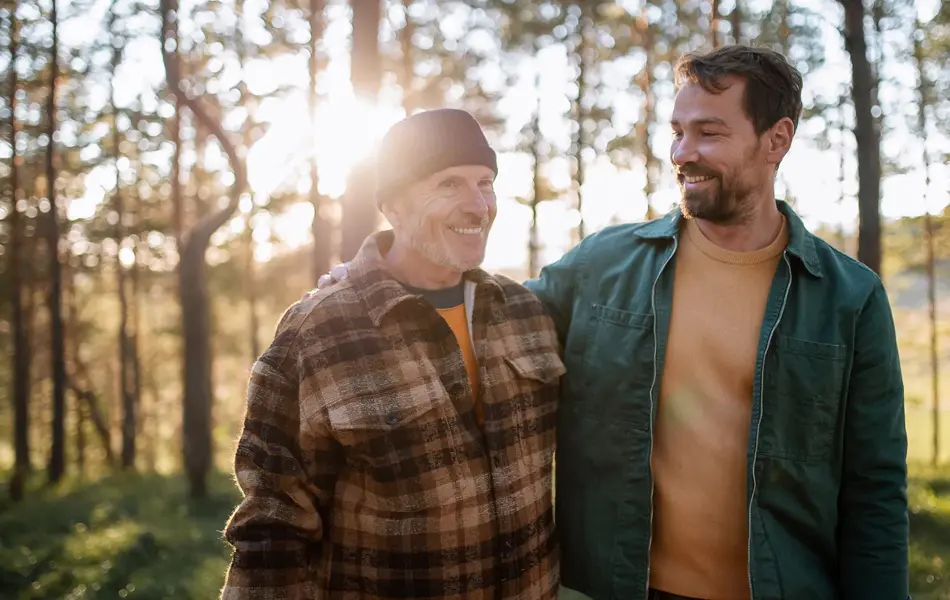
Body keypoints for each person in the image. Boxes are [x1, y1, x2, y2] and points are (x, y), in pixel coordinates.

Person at [317, 45, 910, 600]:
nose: (683, 152)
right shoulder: (603, 265)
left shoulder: (849, 297)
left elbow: (874, 489)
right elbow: (489, 321)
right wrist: (377, 277)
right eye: (678, 132)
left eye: (709, 133)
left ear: (776, 139)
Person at [221, 108, 566, 600]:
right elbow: (271, 532)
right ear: (394, 206)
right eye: (448, 184)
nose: (478, 205)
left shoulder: (527, 314)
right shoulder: (319, 331)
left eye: (485, 182)